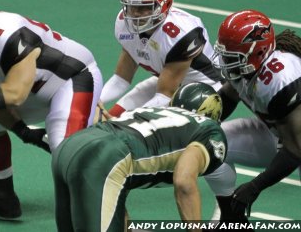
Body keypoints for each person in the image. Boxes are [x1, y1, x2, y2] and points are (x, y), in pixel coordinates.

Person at [0, 0, 103, 218]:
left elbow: (15, 94)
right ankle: (3, 197)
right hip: (35, 89)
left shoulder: (12, 35)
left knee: (62, 147)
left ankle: (94, 208)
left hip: (71, 79)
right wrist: (22, 131)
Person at [52, 82, 226, 232]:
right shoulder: (209, 130)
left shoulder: (154, 111)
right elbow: (184, 181)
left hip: (69, 146)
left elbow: (117, 185)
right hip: (106, 157)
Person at [210, 9, 301, 217]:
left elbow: (296, 149)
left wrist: (254, 186)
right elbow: (229, 94)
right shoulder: (246, 65)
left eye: (232, 56)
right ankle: (229, 220)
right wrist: (199, 123)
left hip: (295, 139)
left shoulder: (281, 79)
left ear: (259, 53)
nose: (225, 60)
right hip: (280, 132)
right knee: (211, 143)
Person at [99, 0, 223, 118]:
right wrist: (95, 101)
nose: (136, 14)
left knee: (131, 127)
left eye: (144, 7)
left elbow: (164, 96)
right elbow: (121, 80)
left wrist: (124, 121)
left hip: (203, 91)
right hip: (170, 81)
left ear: (165, 5)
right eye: (132, 6)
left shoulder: (180, 34)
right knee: (117, 110)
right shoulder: (124, 23)